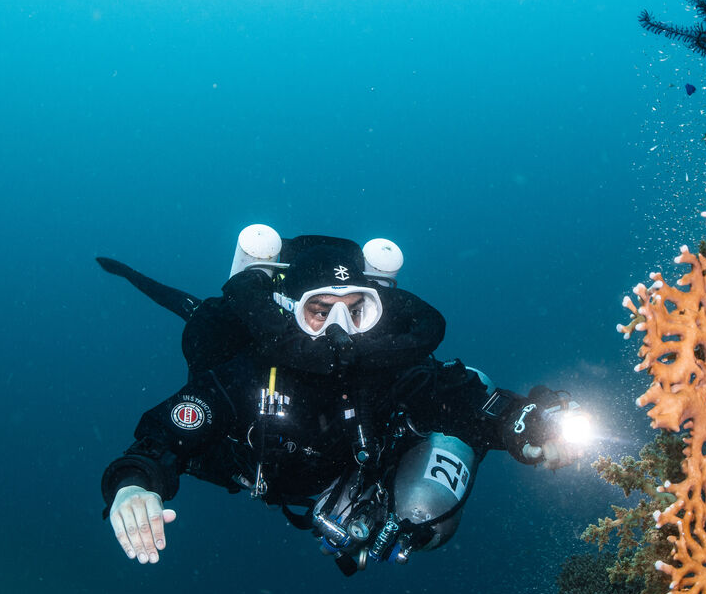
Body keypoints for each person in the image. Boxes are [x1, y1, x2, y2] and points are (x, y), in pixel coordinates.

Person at [97, 227, 587, 575]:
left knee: (430, 496)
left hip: (356, 473)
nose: (339, 332)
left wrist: (526, 422)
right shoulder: (244, 375)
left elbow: (466, 399)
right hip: (244, 465)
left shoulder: (388, 369)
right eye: (319, 310)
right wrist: (134, 486)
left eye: (356, 311)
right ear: (289, 313)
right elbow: (161, 437)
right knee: (198, 316)